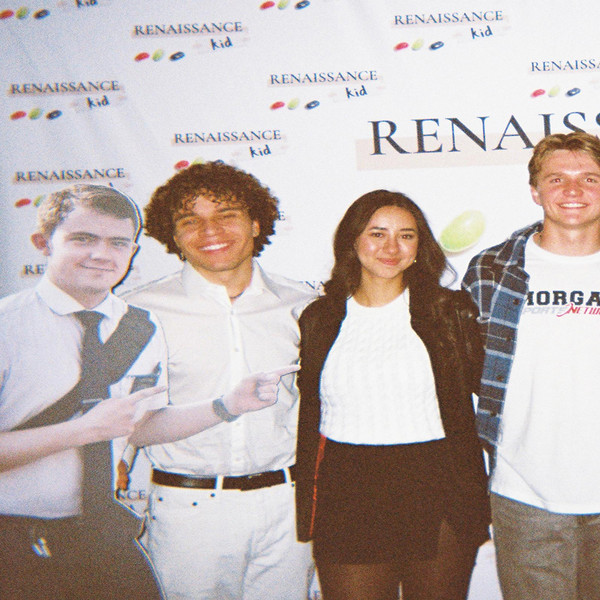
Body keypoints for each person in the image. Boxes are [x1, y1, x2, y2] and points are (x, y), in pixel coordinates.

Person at [0, 183, 297, 600]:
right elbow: (99, 428)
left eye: (118, 242)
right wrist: (83, 430)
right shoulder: (8, 325)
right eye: (82, 238)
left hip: (102, 539)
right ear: (43, 243)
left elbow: (141, 426)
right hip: (13, 540)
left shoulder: (139, 324)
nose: (101, 254)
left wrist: (226, 405)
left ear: (133, 250)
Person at [125, 161, 315, 600]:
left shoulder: (304, 304)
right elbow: (123, 423)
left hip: (287, 508)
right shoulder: (139, 312)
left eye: (226, 215)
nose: (210, 230)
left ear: (256, 223)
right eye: (189, 220)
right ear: (173, 236)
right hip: (188, 513)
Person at [295, 190, 490, 600]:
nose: (391, 247)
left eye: (406, 236)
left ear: (420, 247)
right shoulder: (319, 318)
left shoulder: (450, 312)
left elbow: (491, 394)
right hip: (348, 488)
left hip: (438, 482)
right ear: (352, 241)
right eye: (377, 233)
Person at [462, 131, 600, 600]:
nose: (573, 190)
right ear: (535, 191)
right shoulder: (491, 270)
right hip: (524, 495)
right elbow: (469, 373)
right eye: (557, 178)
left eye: (589, 178)